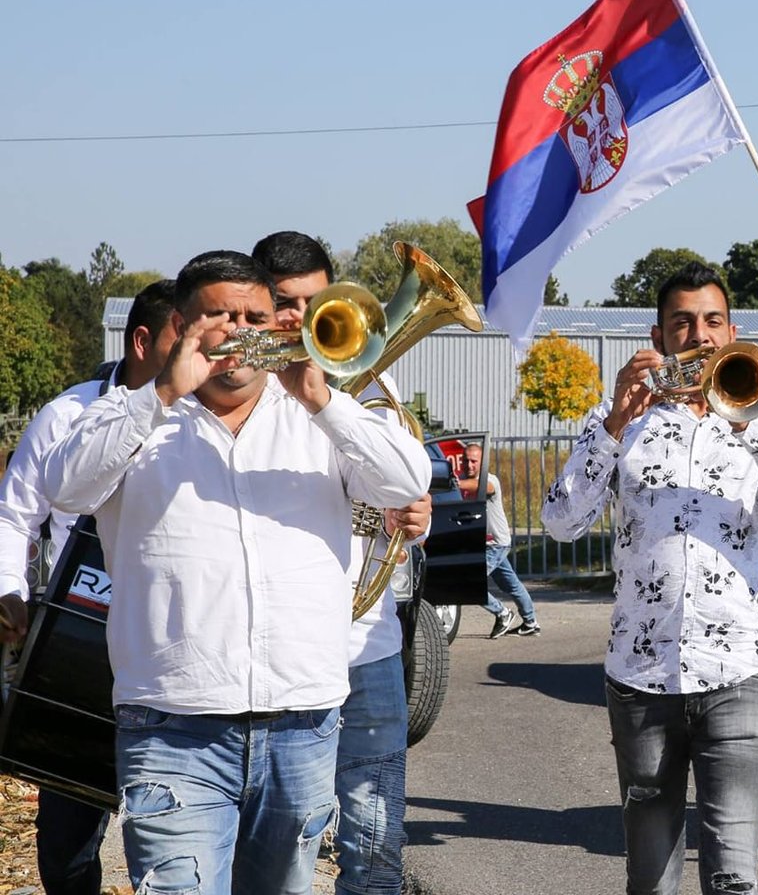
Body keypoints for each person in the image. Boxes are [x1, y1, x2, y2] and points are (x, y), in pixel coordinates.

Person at [41, 251, 433, 895]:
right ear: (182, 324)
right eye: (219, 314)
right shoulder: (133, 414)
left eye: (256, 315)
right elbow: (64, 485)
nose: (240, 328)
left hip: (302, 720)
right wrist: (163, 391)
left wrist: (320, 397)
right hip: (173, 726)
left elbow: (408, 480)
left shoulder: (320, 417)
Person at [542, 262, 758, 895]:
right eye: (683, 322)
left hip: (736, 675)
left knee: (733, 879)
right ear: (659, 334)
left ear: (731, 330)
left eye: (711, 322)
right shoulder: (622, 419)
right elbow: (560, 522)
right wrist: (614, 426)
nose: (699, 336)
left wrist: (748, 421)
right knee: (651, 882)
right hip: (641, 680)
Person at [250, 230, 430, 895]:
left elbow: (401, 483)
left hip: (367, 647)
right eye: (286, 303)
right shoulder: (239, 397)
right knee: (290, 848)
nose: (303, 318)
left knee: (376, 845)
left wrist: (414, 517)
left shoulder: (361, 387)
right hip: (288, 657)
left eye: (315, 301)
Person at [0, 280, 177, 895]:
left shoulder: (206, 424)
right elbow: (15, 514)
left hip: (172, 662)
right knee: (67, 844)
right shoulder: (67, 414)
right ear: (143, 341)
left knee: (169, 839)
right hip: (78, 654)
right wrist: (8, 589)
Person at [458, 443, 540, 638]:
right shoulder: (461, 479)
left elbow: (481, 487)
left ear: (483, 462)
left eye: (473, 461)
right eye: (465, 460)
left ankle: (502, 613)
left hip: (495, 543)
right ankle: (530, 623)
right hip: (481, 544)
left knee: (469, 585)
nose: (468, 465)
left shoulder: (490, 480)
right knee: (512, 584)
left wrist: (452, 483)